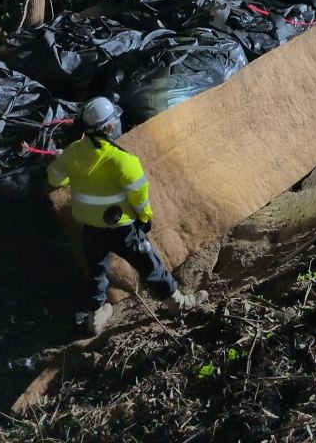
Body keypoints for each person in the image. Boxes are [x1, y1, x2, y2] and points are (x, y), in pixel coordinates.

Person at [48, 96, 207, 334]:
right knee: (150, 266)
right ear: (109, 127)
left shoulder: (72, 153)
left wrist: (69, 168)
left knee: (95, 272)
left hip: (90, 229)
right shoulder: (123, 161)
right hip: (123, 229)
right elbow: (140, 198)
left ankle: (96, 314)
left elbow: (55, 178)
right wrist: (145, 218)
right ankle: (177, 304)